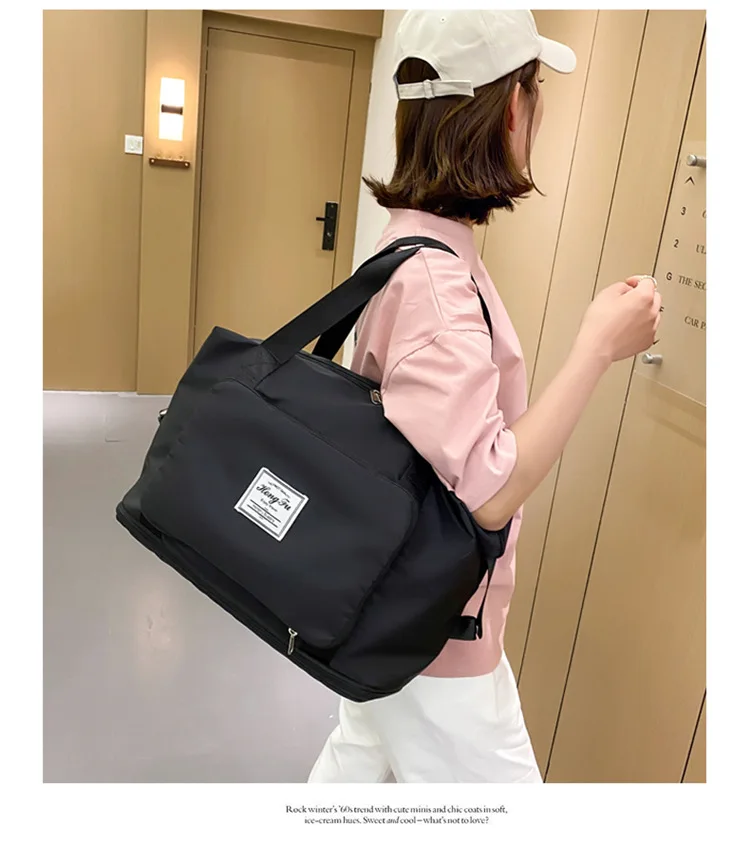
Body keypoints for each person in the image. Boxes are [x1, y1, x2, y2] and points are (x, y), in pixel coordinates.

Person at [307, 10, 661, 784]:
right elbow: (489, 491)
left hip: (395, 601)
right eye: (534, 88)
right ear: (508, 108)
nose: (540, 110)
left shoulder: (413, 246)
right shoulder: (437, 281)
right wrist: (597, 347)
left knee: (355, 776)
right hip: (435, 634)